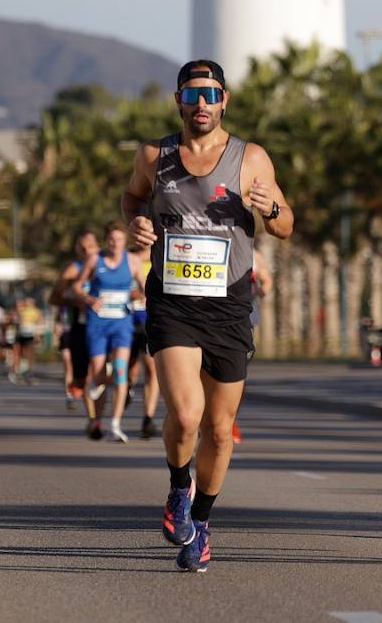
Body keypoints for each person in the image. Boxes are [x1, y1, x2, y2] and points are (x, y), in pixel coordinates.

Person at [122, 60, 293, 572]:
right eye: (192, 93)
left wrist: (272, 210)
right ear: (179, 99)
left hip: (229, 306)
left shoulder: (251, 158)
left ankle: (201, 520)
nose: (201, 103)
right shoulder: (155, 154)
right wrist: (135, 222)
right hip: (172, 302)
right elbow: (132, 196)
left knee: (220, 430)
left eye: (211, 93)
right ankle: (178, 486)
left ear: (224, 100)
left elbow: (285, 225)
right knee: (188, 412)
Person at [73, 223, 148, 443]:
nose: (115, 244)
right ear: (107, 241)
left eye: (119, 239)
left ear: (125, 242)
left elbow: (145, 286)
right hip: (98, 322)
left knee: (121, 370)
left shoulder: (133, 261)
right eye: (112, 239)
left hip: (122, 323)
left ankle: (115, 423)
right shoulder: (95, 260)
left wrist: (146, 296)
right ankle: (101, 397)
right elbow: (77, 286)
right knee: (97, 373)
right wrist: (88, 299)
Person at [50, 231, 99, 410]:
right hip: (80, 325)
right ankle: (93, 416)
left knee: (103, 370)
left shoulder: (106, 265)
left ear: (98, 247)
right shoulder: (72, 269)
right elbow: (54, 298)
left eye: (90, 246)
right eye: (82, 247)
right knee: (83, 376)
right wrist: (77, 302)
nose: (86, 251)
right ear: (77, 249)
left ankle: (124, 389)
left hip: (107, 324)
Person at [231, 247, 272, 446]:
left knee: (238, 373)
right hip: (209, 314)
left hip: (244, 316)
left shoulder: (254, 255)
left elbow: (266, 279)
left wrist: (262, 288)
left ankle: (230, 419)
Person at [127, 246, 161, 440]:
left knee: (151, 370)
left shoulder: (163, 252)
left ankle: (148, 419)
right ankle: (126, 389)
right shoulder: (129, 258)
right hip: (127, 320)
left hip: (151, 319)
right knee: (128, 371)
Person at [14, 297, 46, 383]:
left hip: (31, 334)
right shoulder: (22, 310)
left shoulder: (36, 311)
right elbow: (17, 320)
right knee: (21, 353)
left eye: (29, 302)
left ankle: (29, 371)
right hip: (22, 333)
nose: (27, 303)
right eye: (26, 301)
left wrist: (38, 334)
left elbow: (40, 322)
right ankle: (21, 370)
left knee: (30, 353)